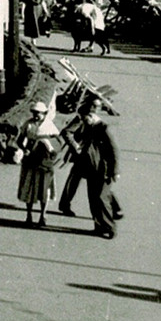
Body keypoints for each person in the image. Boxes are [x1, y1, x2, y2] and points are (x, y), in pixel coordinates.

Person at [57, 101, 121, 238]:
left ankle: (110, 228)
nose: (83, 122)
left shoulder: (104, 128)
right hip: (91, 168)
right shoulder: (90, 125)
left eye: (85, 119)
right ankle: (98, 226)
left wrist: (115, 171)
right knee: (93, 199)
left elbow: (114, 150)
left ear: (91, 116)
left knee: (101, 198)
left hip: (103, 170)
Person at [15, 101, 62, 227]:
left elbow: (59, 140)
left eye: (39, 113)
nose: (36, 115)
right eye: (34, 113)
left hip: (44, 159)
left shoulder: (49, 125)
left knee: (44, 188)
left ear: (45, 113)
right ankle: (29, 215)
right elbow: (20, 139)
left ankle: (43, 215)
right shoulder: (28, 124)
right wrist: (24, 148)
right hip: (30, 159)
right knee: (29, 187)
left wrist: (51, 148)